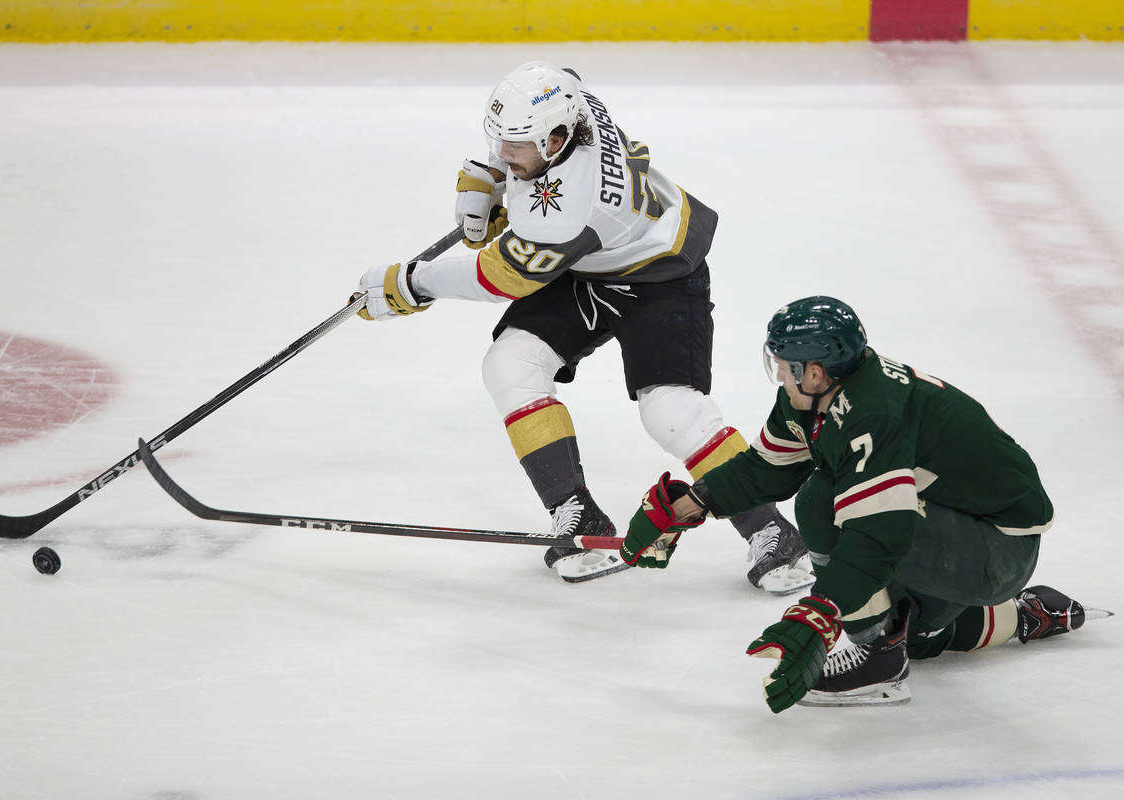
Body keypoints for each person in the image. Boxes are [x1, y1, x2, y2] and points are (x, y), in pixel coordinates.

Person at [355, 60, 812, 588]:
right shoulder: (564, 98)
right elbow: (558, 79)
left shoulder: (573, 206)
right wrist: (492, 176)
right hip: (593, 262)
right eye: (498, 140)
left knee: (670, 410)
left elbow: (502, 275)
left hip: (662, 273)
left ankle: (771, 530)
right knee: (510, 363)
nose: (506, 151)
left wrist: (413, 282)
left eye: (516, 147)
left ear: (554, 141)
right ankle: (577, 513)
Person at [622, 296, 1112, 709]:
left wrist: (822, 610)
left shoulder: (871, 414)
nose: (776, 374)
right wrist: (691, 503)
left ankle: (876, 660)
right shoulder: (821, 394)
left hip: (994, 549)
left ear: (813, 371)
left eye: (782, 364)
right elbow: (767, 468)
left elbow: (881, 532)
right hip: (961, 528)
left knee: (823, 500)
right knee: (913, 635)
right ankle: (1025, 616)